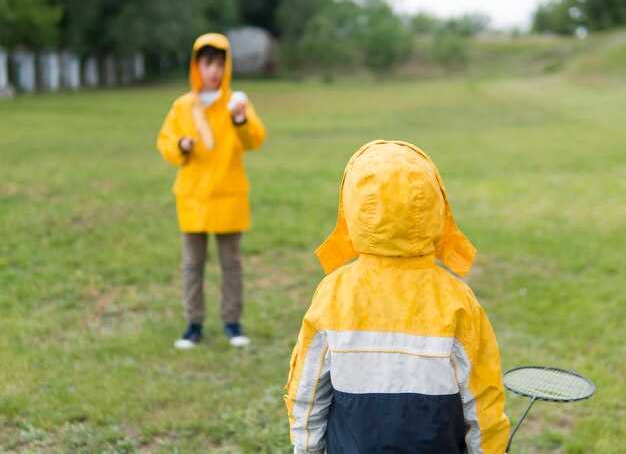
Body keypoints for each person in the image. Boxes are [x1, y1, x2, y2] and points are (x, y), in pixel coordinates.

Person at [285, 140, 510, 454]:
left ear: (353, 206)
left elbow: (307, 391)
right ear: (436, 204)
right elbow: (483, 398)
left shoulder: (334, 293)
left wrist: (306, 449)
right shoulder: (457, 298)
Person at [156, 33, 265, 349]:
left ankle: (232, 322)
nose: (214, 70)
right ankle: (193, 323)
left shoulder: (236, 103)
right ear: (197, 66)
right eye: (208, 63)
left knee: (231, 264)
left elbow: (255, 140)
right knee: (192, 265)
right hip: (193, 199)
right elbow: (165, 141)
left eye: (219, 63)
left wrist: (241, 120)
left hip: (229, 195)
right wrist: (181, 145)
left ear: (227, 66)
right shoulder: (182, 106)